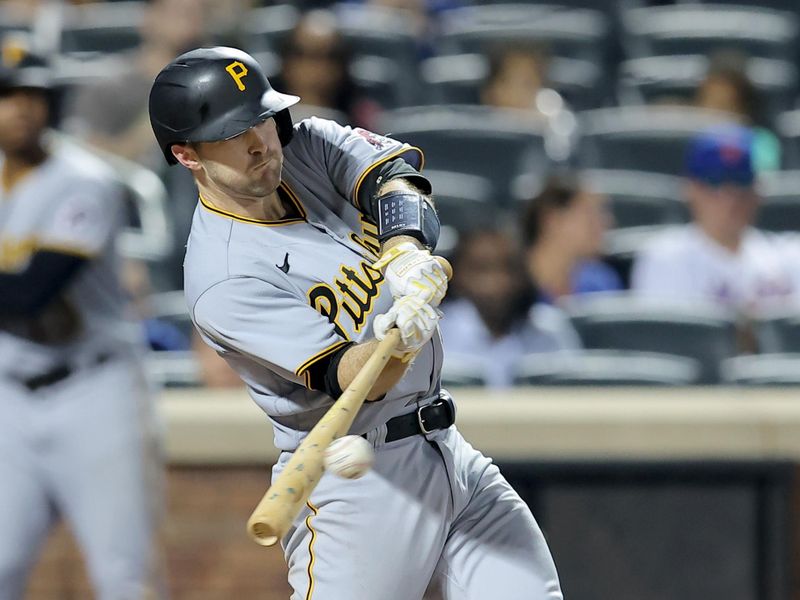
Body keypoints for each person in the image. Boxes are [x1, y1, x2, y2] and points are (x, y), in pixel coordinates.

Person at [149, 46, 562, 599]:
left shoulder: (303, 147)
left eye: (261, 118)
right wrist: (403, 334)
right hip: (359, 482)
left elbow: (395, 175)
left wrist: (408, 250)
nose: (259, 141)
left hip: (448, 449)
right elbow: (359, 379)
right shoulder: (222, 280)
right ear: (187, 155)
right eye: (232, 132)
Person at [0, 49, 164, 599]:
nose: (20, 109)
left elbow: (28, 293)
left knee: (123, 578)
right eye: (6, 97)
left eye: (32, 96)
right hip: (9, 400)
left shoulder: (83, 181)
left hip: (93, 391)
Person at [631, 124, 800, 315]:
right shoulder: (665, 256)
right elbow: (668, 339)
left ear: (757, 191)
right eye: (715, 184)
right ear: (691, 189)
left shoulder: (790, 256)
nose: (731, 199)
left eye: (740, 182)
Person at [440, 226, 581, 388]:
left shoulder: (550, 330)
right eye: (481, 269)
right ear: (456, 275)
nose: (497, 282)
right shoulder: (433, 333)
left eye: (508, 268)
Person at [522, 172, 621, 304]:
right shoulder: (512, 285)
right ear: (553, 220)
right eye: (590, 213)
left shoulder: (601, 282)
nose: (607, 223)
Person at [694, 50, 781, 172]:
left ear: (744, 107)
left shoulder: (760, 142)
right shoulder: (686, 138)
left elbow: (764, 182)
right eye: (711, 103)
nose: (717, 115)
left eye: (726, 106)